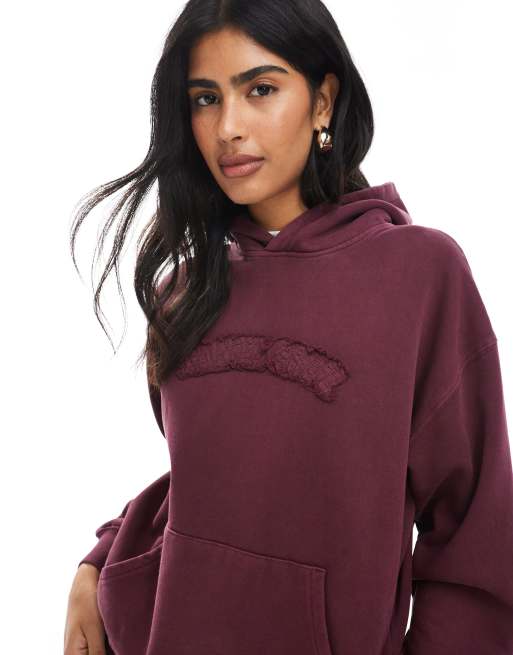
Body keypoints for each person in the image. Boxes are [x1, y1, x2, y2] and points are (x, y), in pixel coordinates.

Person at [64, 1, 513, 654]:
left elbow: (473, 530)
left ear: (323, 101)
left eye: (260, 89)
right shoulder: (183, 291)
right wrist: (102, 558)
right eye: (205, 99)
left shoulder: (419, 273)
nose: (228, 127)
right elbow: (213, 485)